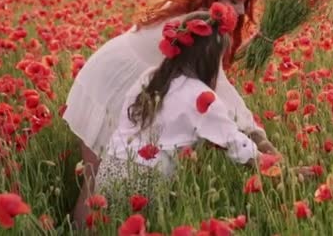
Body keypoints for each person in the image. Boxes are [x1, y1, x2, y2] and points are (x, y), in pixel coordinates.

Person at [63, 0, 280, 226]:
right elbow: (220, 92)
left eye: (243, 3)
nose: (239, 11)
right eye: (233, 0)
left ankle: (88, 229)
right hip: (108, 83)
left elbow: (216, 70)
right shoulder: (194, 30)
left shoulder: (193, 22)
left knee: (106, 177)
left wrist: (262, 40)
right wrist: (259, 138)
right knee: (97, 177)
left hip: (117, 76)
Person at [95, 10, 262, 204]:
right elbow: (235, 142)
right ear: (210, 60)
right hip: (145, 179)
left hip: (109, 169)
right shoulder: (201, 95)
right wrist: (271, 165)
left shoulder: (150, 78)